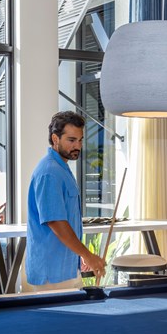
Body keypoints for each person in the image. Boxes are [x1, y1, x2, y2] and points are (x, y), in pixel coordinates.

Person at [24, 110, 105, 292]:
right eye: (71, 140)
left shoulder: (62, 169)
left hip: (66, 269)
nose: (77, 146)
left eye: (80, 140)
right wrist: (88, 255)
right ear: (55, 139)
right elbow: (56, 222)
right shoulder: (50, 173)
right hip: (51, 275)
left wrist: (81, 255)